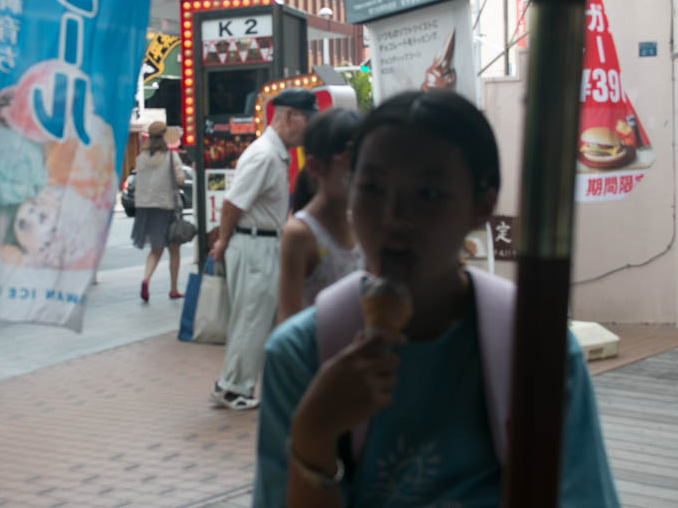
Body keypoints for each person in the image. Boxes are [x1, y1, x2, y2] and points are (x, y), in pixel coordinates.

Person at [253, 90, 621, 507]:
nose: (393, 219)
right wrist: (315, 430)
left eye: (428, 194)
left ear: (483, 205)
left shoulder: (537, 350)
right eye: (371, 188)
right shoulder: (299, 357)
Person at [209, 88, 317, 411]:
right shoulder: (264, 154)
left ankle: (246, 384)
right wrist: (224, 241)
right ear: (288, 116)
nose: (308, 127)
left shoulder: (275, 153)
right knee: (251, 318)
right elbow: (232, 203)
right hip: (252, 243)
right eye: (306, 119)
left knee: (262, 317)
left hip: (264, 242)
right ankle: (232, 387)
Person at [277, 108, 362, 323]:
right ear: (315, 167)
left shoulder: (362, 223)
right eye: (350, 161)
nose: (360, 171)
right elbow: (288, 324)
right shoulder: (300, 234)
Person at [131, 121, 186, 302]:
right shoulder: (171, 157)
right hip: (167, 207)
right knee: (174, 249)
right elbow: (179, 179)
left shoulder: (140, 159)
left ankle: (146, 279)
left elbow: (138, 182)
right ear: (163, 136)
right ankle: (173, 289)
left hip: (147, 208)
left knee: (156, 250)